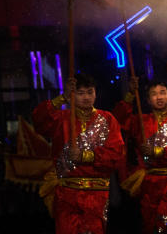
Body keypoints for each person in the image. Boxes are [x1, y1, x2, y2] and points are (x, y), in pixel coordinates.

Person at [33, 72, 125, 234]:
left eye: (90, 92)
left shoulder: (107, 119)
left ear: (96, 93)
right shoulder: (62, 118)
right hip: (67, 194)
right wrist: (63, 97)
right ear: (73, 95)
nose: (86, 97)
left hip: (96, 194)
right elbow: (39, 121)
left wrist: (85, 156)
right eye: (80, 93)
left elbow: (116, 153)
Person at [113, 77, 167, 233]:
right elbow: (117, 119)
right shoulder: (140, 121)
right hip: (149, 184)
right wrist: (130, 94)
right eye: (154, 94)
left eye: (163, 93)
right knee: (149, 226)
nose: (159, 97)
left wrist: (157, 152)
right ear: (148, 100)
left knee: (165, 225)